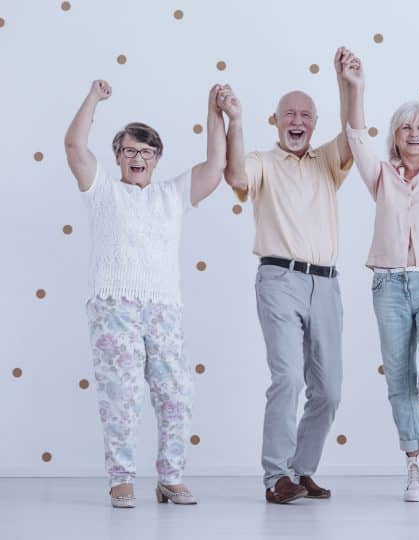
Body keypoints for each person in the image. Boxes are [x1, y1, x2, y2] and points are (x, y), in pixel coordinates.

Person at [64, 80, 227, 508]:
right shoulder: (102, 190)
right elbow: (74, 146)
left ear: (157, 159)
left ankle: (170, 476)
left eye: (147, 152)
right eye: (131, 151)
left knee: (175, 392)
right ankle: (121, 477)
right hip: (113, 304)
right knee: (121, 393)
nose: (139, 158)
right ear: (118, 156)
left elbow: (215, 165)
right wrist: (94, 98)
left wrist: (214, 112)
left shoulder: (172, 194)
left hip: (163, 306)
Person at [340, 31, 419, 502]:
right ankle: (414, 461)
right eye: (404, 128)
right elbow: (355, 136)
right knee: (397, 375)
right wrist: (355, 86)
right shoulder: (381, 177)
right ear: (395, 136)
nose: (413, 135)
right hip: (389, 285)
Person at [221, 50, 353, 504]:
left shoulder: (327, 162)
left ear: (314, 124)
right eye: (289, 114)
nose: (297, 121)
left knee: (330, 389)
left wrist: (348, 83)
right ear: (276, 120)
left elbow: (354, 134)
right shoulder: (262, 161)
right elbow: (235, 174)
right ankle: (276, 475)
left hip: (328, 284)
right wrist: (234, 121)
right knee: (288, 378)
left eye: (306, 116)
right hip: (279, 278)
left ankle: (302, 469)